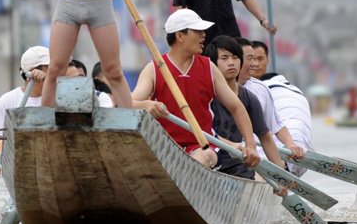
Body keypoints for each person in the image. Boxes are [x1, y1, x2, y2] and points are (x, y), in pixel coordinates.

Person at [131, 9, 260, 170]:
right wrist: (146, 105)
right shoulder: (154, 69)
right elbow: (129, 103)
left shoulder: (209, 68)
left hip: (203, 146)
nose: (203, 35)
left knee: (203, 157)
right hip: (164, 146)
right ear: (179, 36)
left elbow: (237, 107)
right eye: (198, 31)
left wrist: (250, 146)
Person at [0, 46, 79, 180]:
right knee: (1, 144)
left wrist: (47, 81)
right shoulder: (8, 100)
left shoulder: (62, 94)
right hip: (23, 165)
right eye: (49, 68)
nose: (55, 73)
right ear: (33, 72)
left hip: (56, 161)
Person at [204, 35, 284, 180]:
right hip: (211, 159)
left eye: (235, 57)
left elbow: (265, 136)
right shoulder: (205, 94)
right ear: (213, 63)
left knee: (257, 175)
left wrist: (281, 175)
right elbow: (203, 131)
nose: (231, 63)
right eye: (224, 58)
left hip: (239, 163)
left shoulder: (249, 97)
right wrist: (232, 145)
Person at [237, 37, 306, 167]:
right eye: (250, 59)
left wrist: (291, 145)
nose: (254, 64)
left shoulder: (260, 89)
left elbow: (276, 126)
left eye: (257, 59)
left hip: (258, 157)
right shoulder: (219, 87)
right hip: (231, 152)